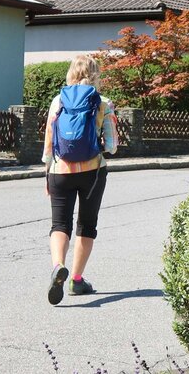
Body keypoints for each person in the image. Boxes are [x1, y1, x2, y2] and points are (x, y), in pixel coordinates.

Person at [42, 55, 118, 305]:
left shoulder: (58, 100)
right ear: (96, 74)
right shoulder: (103, 103)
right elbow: (113, 146)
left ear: (71, 73)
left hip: (59, 170)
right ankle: (76, 279)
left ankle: (57, 266)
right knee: (86, 224)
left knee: (59, 224)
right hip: (92, 171)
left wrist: (47, 170)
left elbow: (49, 141)